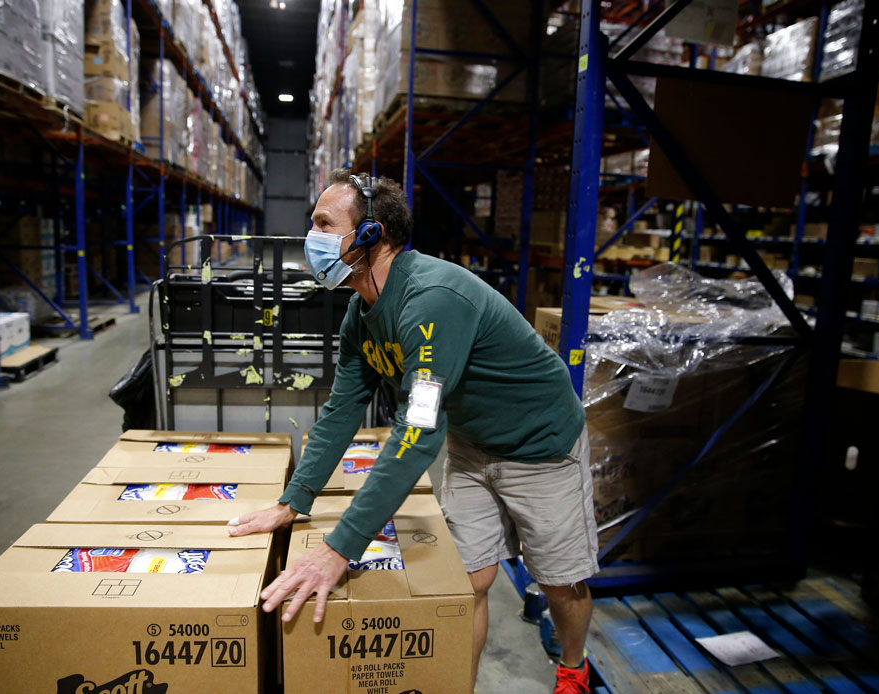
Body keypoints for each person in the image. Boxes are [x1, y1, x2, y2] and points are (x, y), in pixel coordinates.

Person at [228, 170, 600, 694]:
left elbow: (418, 430)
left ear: (369, 235)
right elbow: (342, 410)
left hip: (540, 445)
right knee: (469, 580)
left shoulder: (432, 299)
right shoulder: (361, 313)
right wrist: (296, 500)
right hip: (473, 444)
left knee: (559, 582)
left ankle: (573, 668)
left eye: (322, 223)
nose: (310, 238)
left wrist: (341, 547)